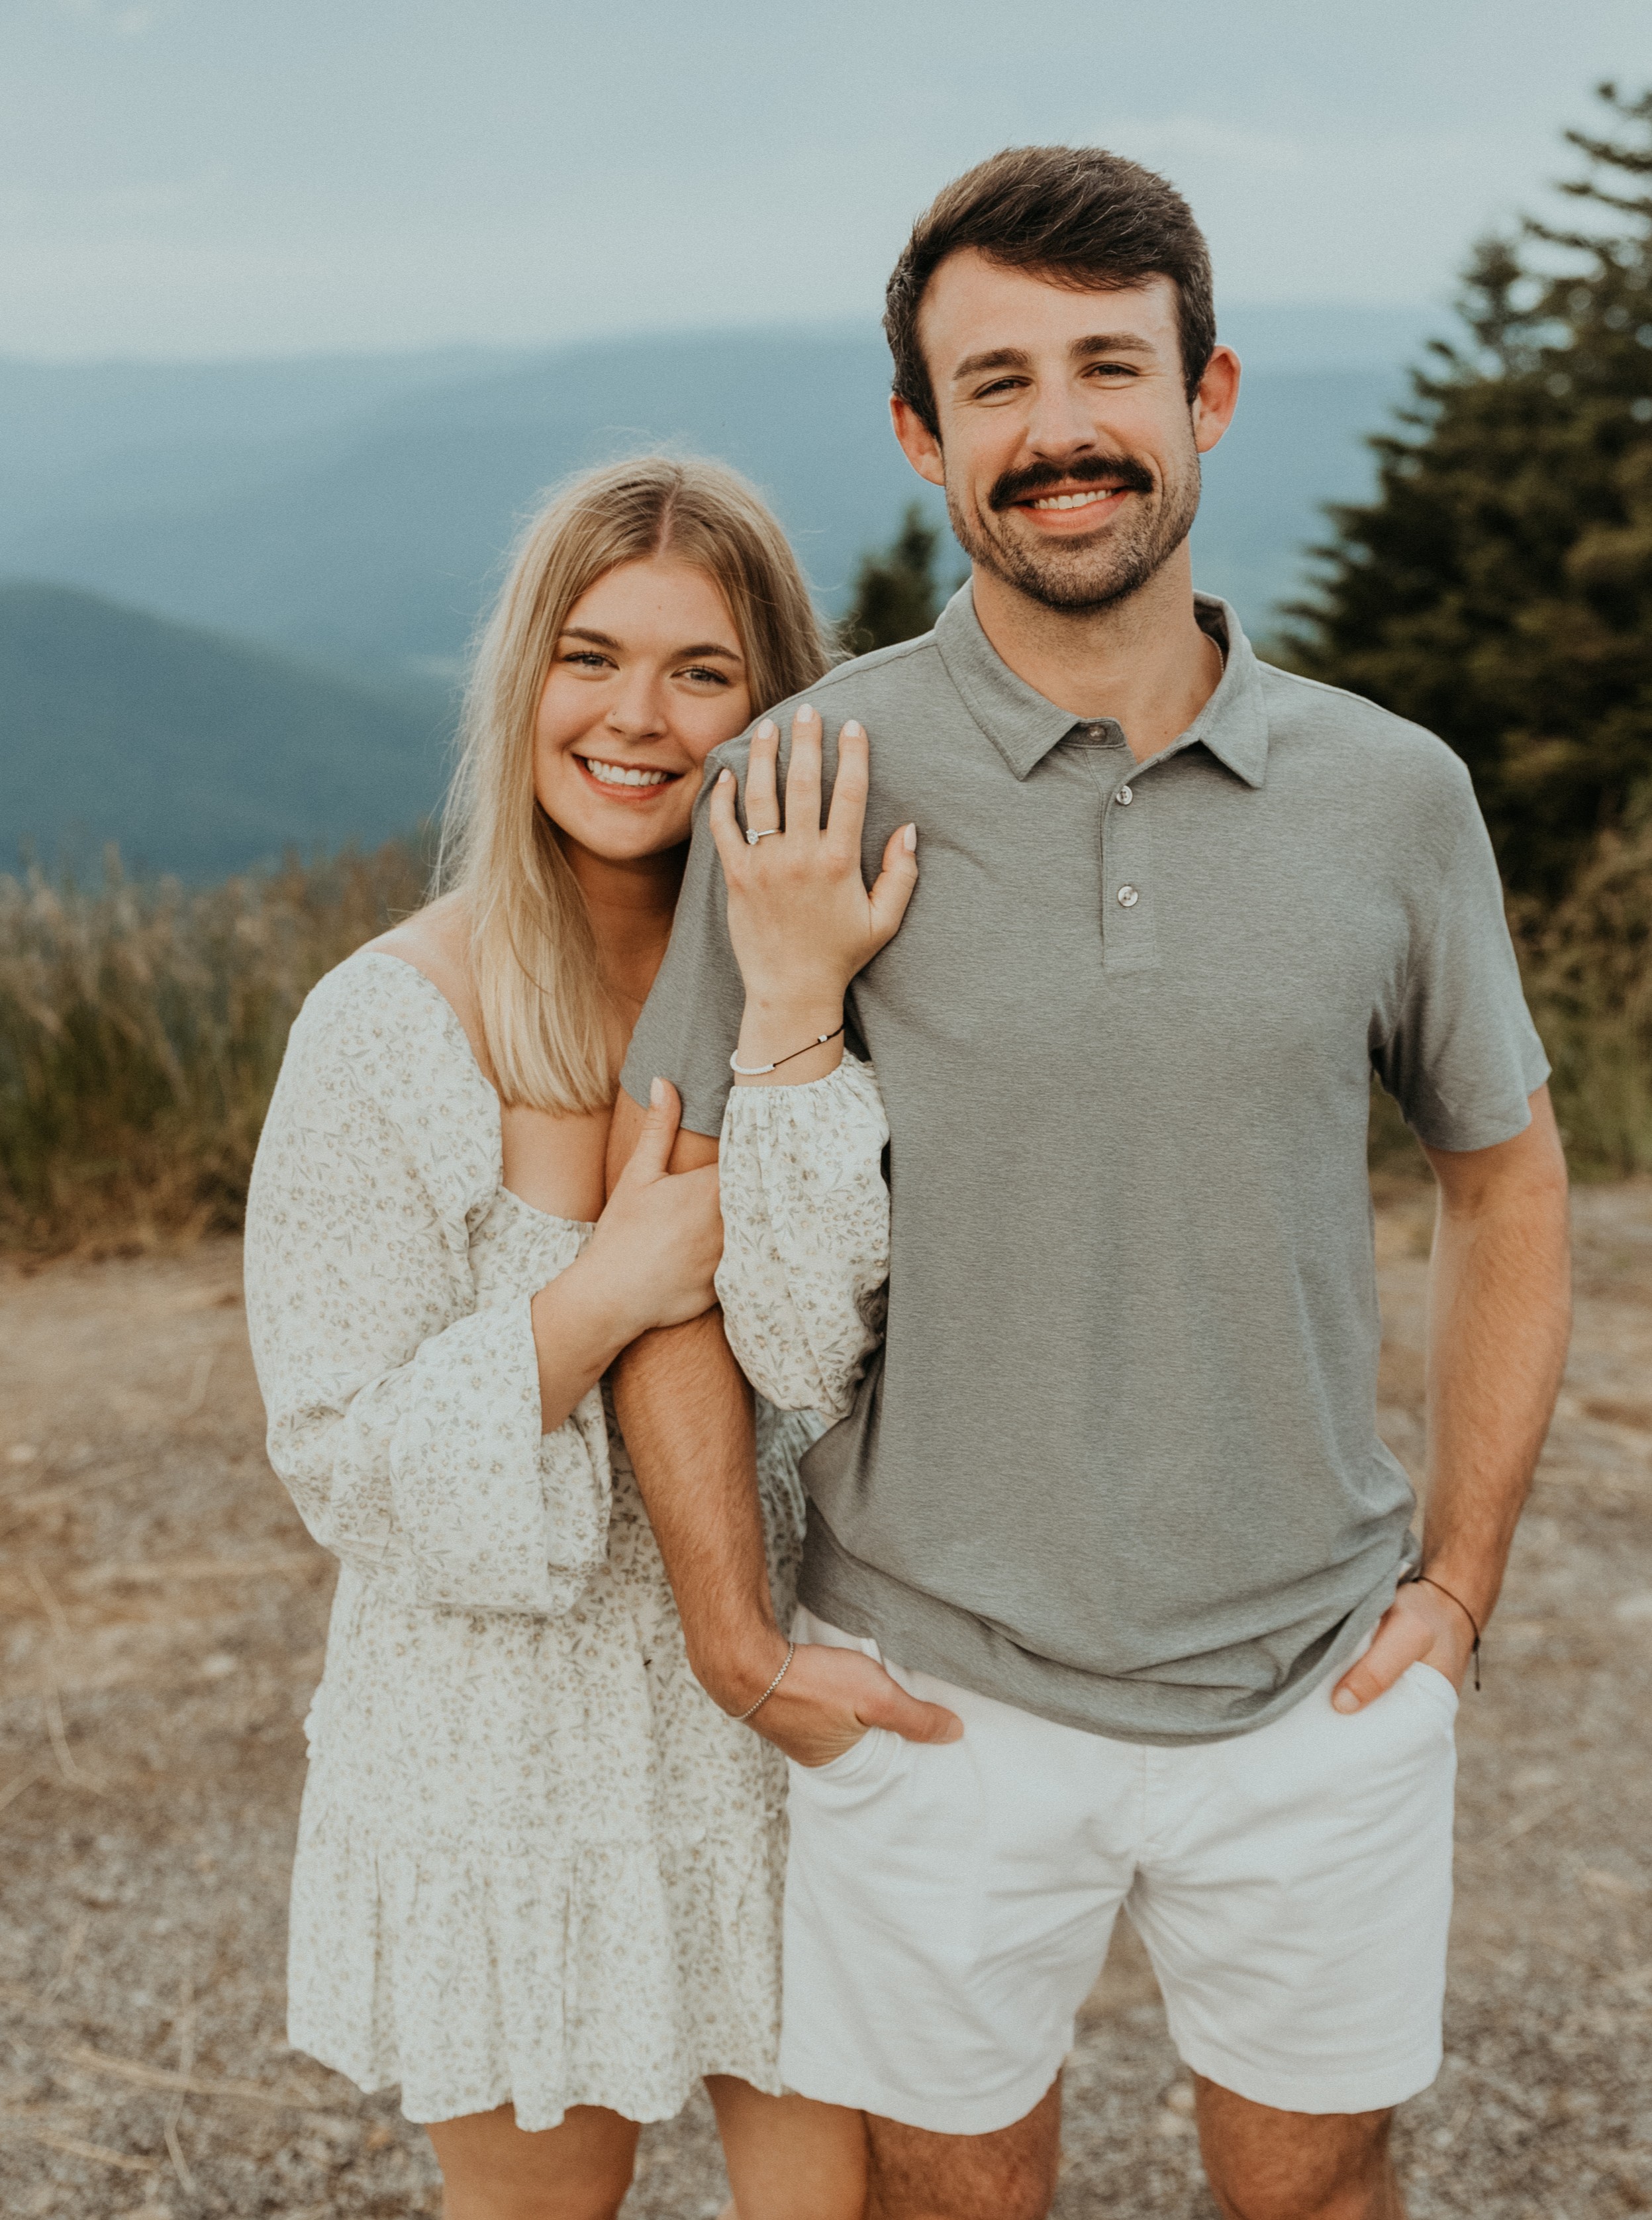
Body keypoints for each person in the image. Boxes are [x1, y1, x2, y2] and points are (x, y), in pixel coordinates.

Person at [607, 150, 1574, 2220]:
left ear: (1206, 394)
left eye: (1109, 368)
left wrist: (1464, 1583)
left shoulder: (1395, 796)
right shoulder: (801, 776)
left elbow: (1507, 1182)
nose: (1061, 429)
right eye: (999, 382)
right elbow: (665, 1236)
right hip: (932, 1689)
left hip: (1317, 1684)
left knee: (1319, 2191)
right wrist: (735, 1638)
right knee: (954, 2203)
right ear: (922, 433)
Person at [243, 456, 871, 2220]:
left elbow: (835, 1347)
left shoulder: (832, 987)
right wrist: (602, 1291)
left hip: (786, 1707)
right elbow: (341, 1456)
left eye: (702, 671)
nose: (636, 718)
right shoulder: (384, 1026)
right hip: (502, 1757)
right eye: (591, 658)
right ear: (523, 678)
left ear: (774, 709)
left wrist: (800, 1019)